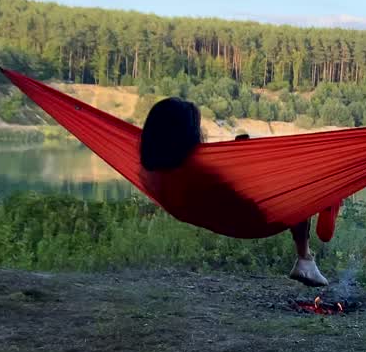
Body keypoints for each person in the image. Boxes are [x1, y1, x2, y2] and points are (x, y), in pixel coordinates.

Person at [138, 98, 329, 287]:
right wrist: (243, 159)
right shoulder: (198, 167)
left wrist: (237, 156)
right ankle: (305, 257)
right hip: (246, 217)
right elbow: (233, 189)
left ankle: (309, 251)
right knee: (301, 187)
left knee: (296, 186)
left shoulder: (148, 170)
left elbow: (215, 188)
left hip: (201, 210)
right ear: (186, 133)